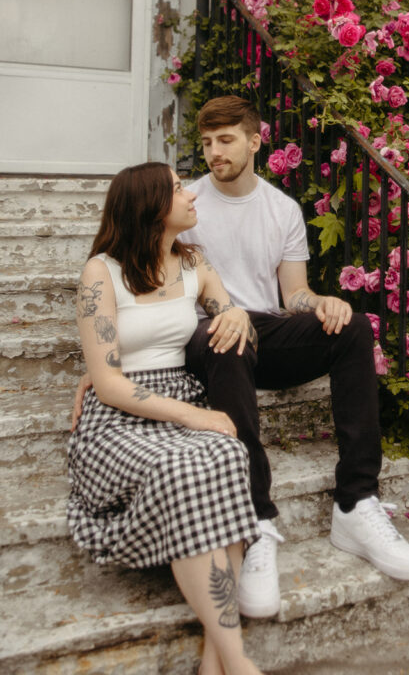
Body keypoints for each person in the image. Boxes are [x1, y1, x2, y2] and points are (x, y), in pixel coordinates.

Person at [178, 95, 409, 619]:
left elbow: (292, 293)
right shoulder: (189, 205)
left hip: (267, 331)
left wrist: (322, 303)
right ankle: (256, 520)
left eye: (225, 141)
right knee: (230, 332)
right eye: (206, 143)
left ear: (255, 140)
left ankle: (356, 503)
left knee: (353, 328)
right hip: (211, 337)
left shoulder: (282, 209)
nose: (214, 152)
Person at [67, 162, 264, 675]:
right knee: (181, 465)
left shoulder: (193, 261)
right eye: (179, 189)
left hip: (179, 395)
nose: (192, 195)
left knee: (226, 453)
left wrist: (237, 312)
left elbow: (228, 311)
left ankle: (213, 658)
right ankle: (238, 661)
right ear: (151, 205)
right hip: (119, 417)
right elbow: (108, 383)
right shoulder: (101, 273)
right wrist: (193, 415)